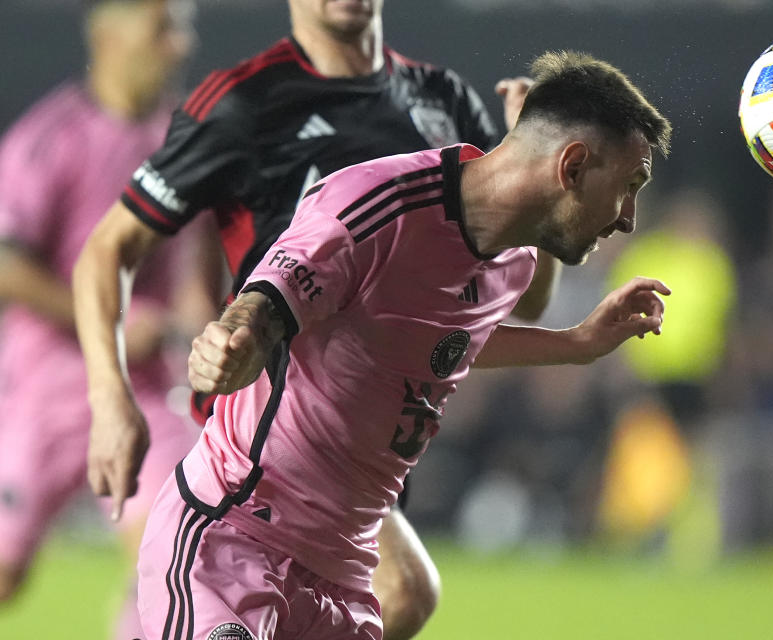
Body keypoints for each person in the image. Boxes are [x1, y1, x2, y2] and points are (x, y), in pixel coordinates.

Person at [136, 50, 672, 640]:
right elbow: (265, 304)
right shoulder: (377, 202)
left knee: (412, 594)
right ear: (571, 167)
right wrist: (232, 344)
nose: (628, 218)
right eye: (629, 186)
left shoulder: (513, 263)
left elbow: (441, 342)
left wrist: (575, 344)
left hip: (343, 584)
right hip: (236, 542)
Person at [72, 1, 557, 637]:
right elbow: (108, 249)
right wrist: (110, 400)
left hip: (376, 439)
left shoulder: (442, 102)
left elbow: (523, 299)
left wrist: (541, 176)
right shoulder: (245, 102)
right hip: (276, 431)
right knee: (404, 589)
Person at [0, 1, 210, 638]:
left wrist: (199, 323)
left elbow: (196, 270)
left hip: (148, 386)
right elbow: (8, 267)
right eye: (163, 28)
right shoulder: (49, 139)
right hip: (47, 387)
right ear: (110, 36)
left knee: (174, 553)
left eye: (183, 28)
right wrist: (114, 324)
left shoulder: (188, 140)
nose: (180, 45)